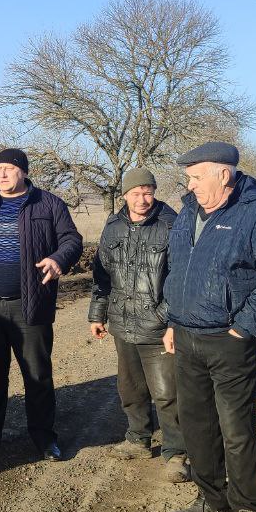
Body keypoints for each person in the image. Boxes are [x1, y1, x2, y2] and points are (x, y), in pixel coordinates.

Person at [164, 142, 256, 512]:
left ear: (223, 174)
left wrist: (245, 327)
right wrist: (172, 319)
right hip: (186, 336)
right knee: (196, 426)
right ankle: (213, 500)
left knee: (236, 432)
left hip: (229, 340)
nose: (189, 184)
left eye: (196, 176)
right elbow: (175, 268)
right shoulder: (188, 210)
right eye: (188, 177)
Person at [0, 148, 82, 461]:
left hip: (30, 305)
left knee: (37, 374)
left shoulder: (48, 204)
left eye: (9, 169)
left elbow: (72, 240)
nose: (2, 174)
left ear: (23, 171)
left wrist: (59, 259)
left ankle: (44, 437)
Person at [88, 168, 188, 482]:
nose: (142, 199)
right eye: (136, 193)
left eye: (148, 192)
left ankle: (177, 452)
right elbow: (102, 274)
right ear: (125, 195)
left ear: (154, 192)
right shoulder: (114, 226)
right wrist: (97, 314)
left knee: (167, 392)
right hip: (121, 321)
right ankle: (138, 439)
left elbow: (181, 278)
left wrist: (169, 319)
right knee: (130, 387)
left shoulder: (171, 224)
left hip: (157, 325)